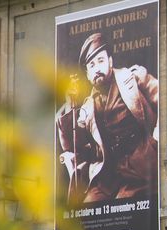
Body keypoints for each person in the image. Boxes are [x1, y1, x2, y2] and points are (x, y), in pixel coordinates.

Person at [56, 32, 158, 204]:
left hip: (139, 165)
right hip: (107, 175)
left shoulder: (132, 78)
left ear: (110, 62)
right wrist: (69, 104)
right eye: (92, 65)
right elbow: (72, 146)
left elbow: (164, 99)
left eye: (101, 61)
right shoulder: (87, 107)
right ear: (88, 74)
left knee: (121, 205)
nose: (97, 68)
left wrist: (156, 138)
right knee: (87, 208)